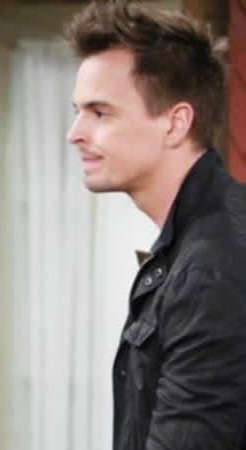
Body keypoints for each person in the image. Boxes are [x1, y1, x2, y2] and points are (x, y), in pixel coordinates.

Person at [64, 1, 246, 449]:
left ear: (175, 123)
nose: (75, 133)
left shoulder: (209, 267)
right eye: (77, 110)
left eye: (100, 112)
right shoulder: (201, 242)